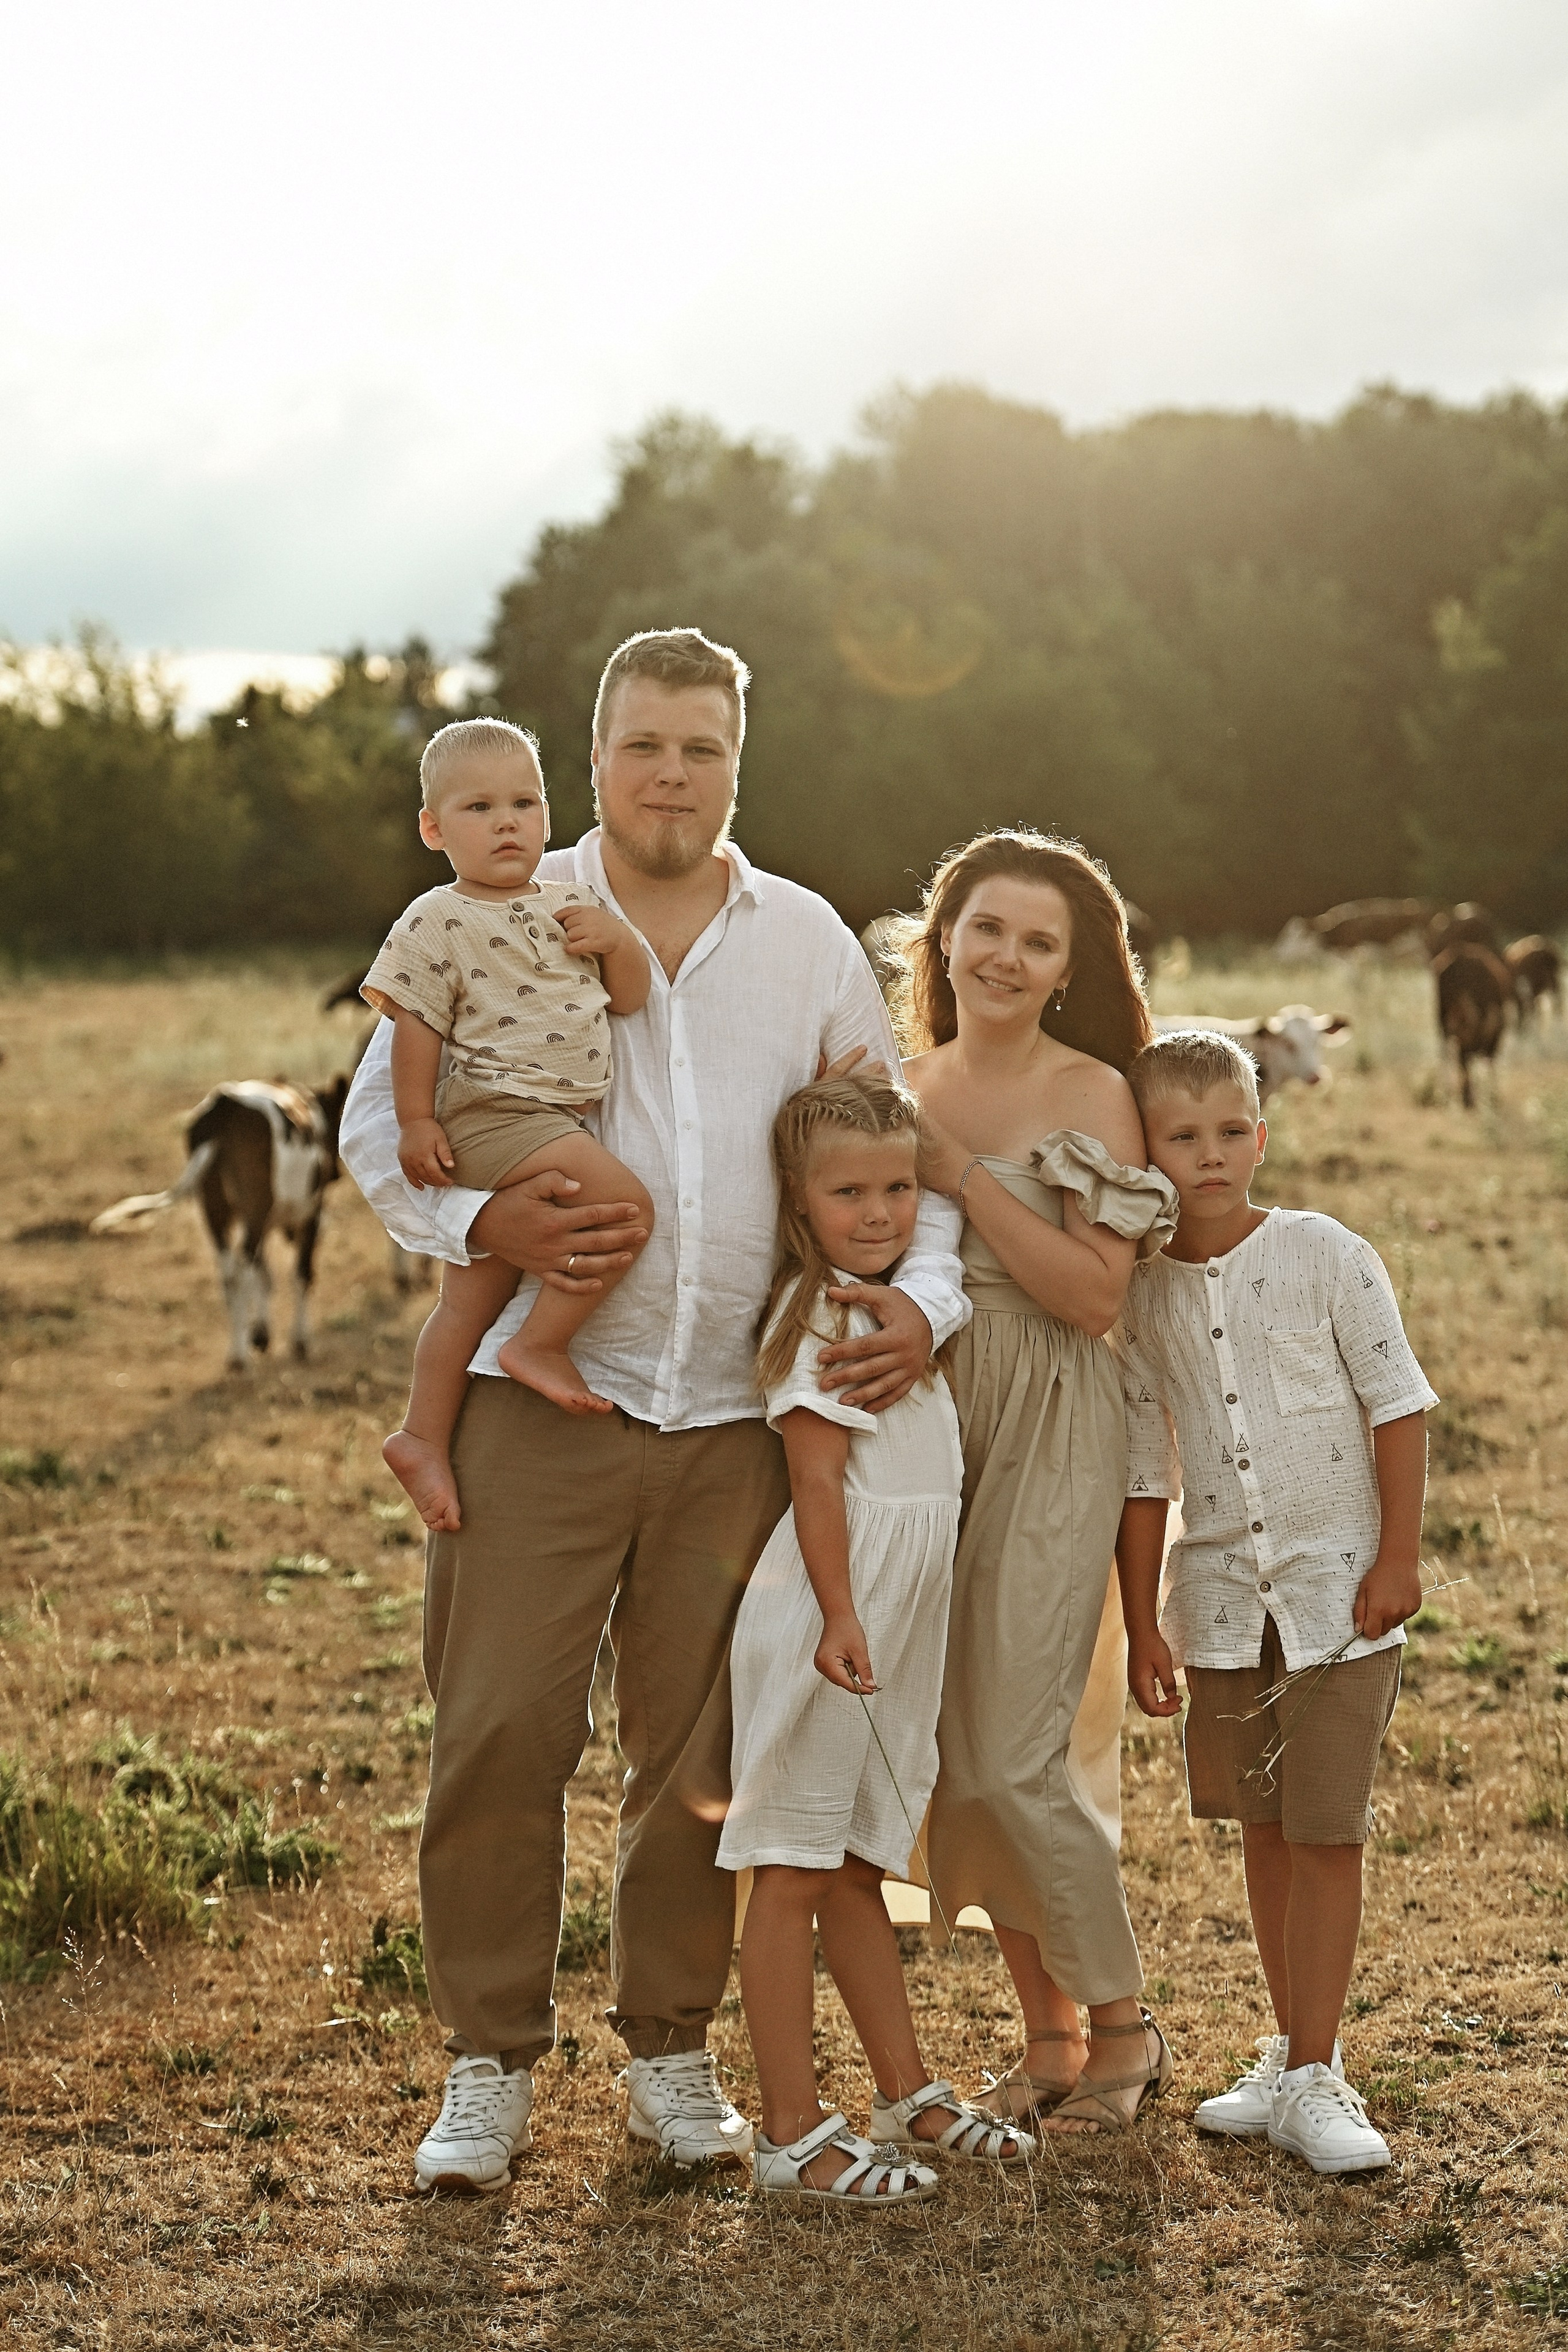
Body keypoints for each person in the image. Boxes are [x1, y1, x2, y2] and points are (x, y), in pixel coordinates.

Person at [338, 628, 970, 2195]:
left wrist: (926, 1299)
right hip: (541, 1409)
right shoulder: (498, 904)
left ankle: (671, 2055)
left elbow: (902, 1155)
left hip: (737, 1426)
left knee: (697, 1752)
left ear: (735, 762)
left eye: (698, 747)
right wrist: (488, 1231)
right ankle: (487, 2064)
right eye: (640, 747)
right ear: (594, 752)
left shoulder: (808, 941)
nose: (668, 775)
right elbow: (374, 1128)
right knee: (497, 1732)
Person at [1117, 1029, 1436, 2175]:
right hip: (1218, 1605)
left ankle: (1318, 2067)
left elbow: (1396, 1406)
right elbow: (1148, 1465)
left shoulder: (1326, 1253)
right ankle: (1288, 2053)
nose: (1210, 1156)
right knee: (1260, 1827)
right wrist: (1141, 1612)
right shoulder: (1140, 1295)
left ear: (1264, 1133)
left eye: (1230, 1132)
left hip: (1340, 1595)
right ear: (1145, 1150)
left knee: (1325, 1829)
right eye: (1181, 1137)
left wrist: (1398, 1556)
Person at [901, 830, 1181, 2135]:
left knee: (1016, 1752)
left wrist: (953, 1174)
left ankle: (1124, 2031)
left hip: (1054, 1423)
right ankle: (1048, 2037)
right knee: (953, 1753)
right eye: (986, 929)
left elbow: (1086, 1296)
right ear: (943, 937)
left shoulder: (1088, 1096)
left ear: (1068, 970)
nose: (1005, 957)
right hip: (922, 1426)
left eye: (1038, 941)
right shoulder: (900, 1080)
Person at [718, 1073, 1031, 2203]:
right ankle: (791, 2135)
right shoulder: (819, 1321)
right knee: (791, 1868)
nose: (883, 1211)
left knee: (856, 1863)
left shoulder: (898, 1313)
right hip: (831, 1615)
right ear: (801, 1209)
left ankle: (904, 2091)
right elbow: (816, 1484)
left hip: (897, 1616)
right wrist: (844, 1614)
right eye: (849, 1191)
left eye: (900, 1186)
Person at [362, 718, 655, 1534]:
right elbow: (416, 1026)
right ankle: (539, 1344)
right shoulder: (437, 918)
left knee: (469, 1295)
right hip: (492, 1112)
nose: (506, 822)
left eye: (524, 803)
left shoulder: (572, 907)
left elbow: (628, 997)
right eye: (478, 806)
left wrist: (620, 944)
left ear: (549, 814)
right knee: (626, 1209)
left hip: (544, 1117)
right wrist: (417, 1122)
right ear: (433, 828)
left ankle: (421, 1434)